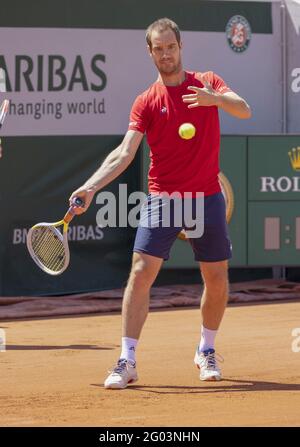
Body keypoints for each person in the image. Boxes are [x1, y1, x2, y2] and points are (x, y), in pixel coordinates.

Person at [69, 17, 251, 389]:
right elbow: (123, 154)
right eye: (159, 48)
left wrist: (213, 99)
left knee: (216, 279)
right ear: (150, 52)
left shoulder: (208, 81)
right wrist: (89, 187)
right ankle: (127, 359)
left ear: (180, 47)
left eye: (171, 46)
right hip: (163, 198)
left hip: (206, 198)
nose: (166, 54)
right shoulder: (146, 102)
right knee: (140, 272)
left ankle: (206, 349)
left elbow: (243, 108)